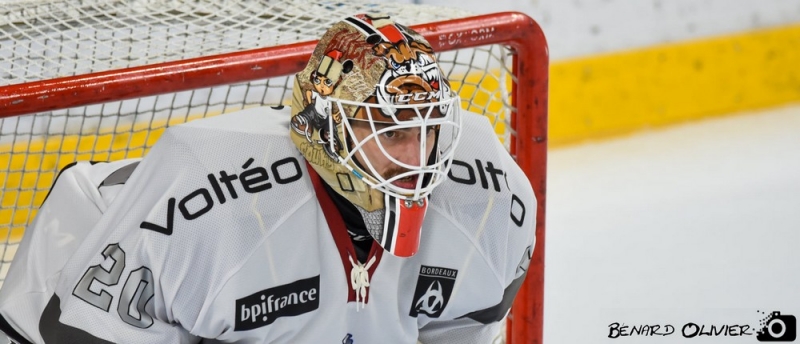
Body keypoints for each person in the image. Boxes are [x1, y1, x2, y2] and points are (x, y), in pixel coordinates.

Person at [0, 13, 536, 343]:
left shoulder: (492, 197)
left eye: (431, 130)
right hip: (75, 270)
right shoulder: (202, 205)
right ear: (325, 125)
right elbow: (81, 331)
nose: (420, 157)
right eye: (393, 132)